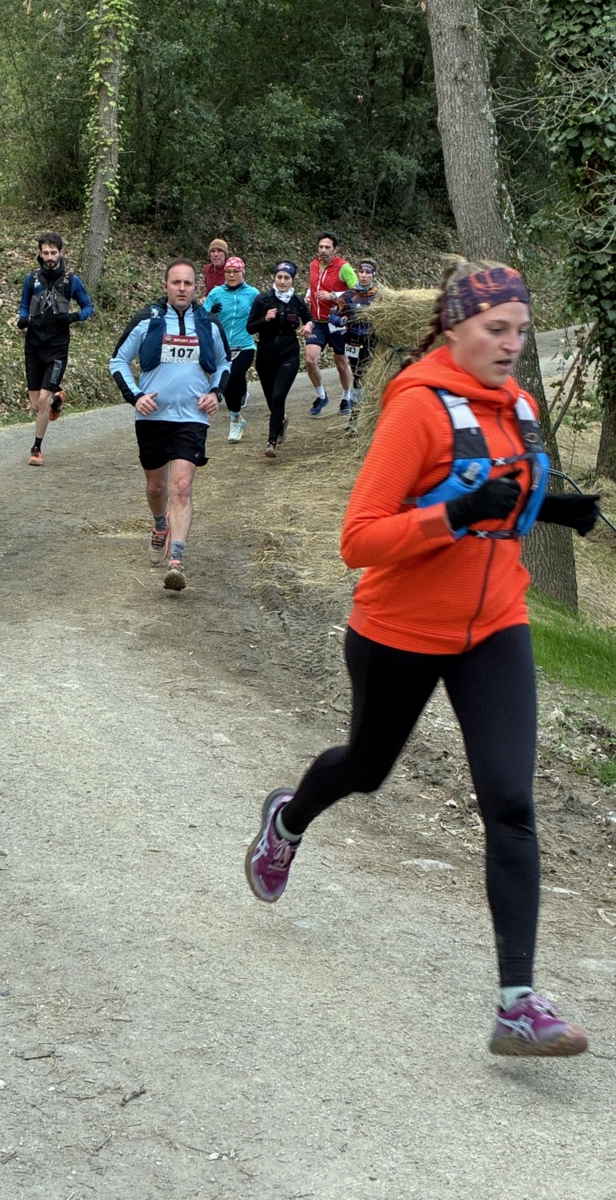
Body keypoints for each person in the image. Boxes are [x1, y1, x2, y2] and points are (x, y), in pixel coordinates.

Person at [244, 258, 602, 1057]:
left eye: (520, 330)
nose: (511, 344)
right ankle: (288, 819)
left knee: (510, 801)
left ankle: (517, 1005)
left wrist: (558, 509)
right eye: (495, 329)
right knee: (366, 769)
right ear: (454, 327)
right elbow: (359, 539)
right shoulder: (417, 407)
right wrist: (457, 513)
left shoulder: (520, 406)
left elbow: (504, 494)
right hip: (398, 628)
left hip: (495, 625)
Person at [109, 258, 230, 591]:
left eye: (188, 283)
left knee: (182, 487)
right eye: (176, 282)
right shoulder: (147, 320)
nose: (182, 288)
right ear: (165, 286)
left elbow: (224, 363)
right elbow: (118, 361)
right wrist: (135, 396)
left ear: (196, 288)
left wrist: (216, 392)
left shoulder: (208, 323)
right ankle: (160, 523)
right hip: (151, 416)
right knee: (156, 488)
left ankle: (176, 560)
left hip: (192, 417)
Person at [17, 232, 94, 466]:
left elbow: (88, 307)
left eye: (53, 252)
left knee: (42, 401)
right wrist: (22, 318)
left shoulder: (71, 280)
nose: (50, 257)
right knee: (35, 404)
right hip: (33, 345)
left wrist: (73, 317)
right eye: (46, 253)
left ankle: (36, 448)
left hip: (58, 347)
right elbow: (23, 305)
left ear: (61, 252)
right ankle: (57, 398)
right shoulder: (32, 278)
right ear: (40, 254)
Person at [246, 261, 313, 458]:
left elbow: (309, 318)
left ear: (292, 280)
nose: (282, 281)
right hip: (266, 355)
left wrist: (309, 326)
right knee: (271, 398)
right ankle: (281, 421)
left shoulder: (297, 301)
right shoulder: (263, 299)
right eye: (279, 277)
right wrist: (264, 319)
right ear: (274, 278)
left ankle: (271, 442)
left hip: (288, 353)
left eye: (287, 278)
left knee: (278, 397)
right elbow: (250, 328)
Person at [204, 256, 259, 441]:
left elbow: (261, 317)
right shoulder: (216, 293)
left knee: (231, 378)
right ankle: (237, 417)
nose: (231, 275)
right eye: (228, 272)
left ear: (243, 273)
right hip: (221, 347)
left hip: (245, 345)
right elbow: (201, 318)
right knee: (227, 383)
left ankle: (234, 422)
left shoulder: (253, 294)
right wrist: (211, 313)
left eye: (236, 271)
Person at [304, 232, 358, 415]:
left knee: (341, 363)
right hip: (317, 321)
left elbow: (356, 291)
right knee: (310, 359)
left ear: (335, 249)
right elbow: (313, 285)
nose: (323, 250)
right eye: (321, 247)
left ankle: (346, 397)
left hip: (337, 321)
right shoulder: (313, 265)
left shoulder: (344, 267)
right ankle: (321, 396)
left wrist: (332, 296)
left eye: (327, 247)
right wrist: (308, 295)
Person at [332, 258, 379, 429]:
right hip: (353, 341)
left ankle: (361, 417)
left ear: (373, 275)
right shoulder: (348, 295)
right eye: (361, 272)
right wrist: (340, 320)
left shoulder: (379, 296)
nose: (364, 275)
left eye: (368, 272)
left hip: (374, 342)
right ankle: (356, 417)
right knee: (358, 376)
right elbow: (334, 314)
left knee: (368, 376)